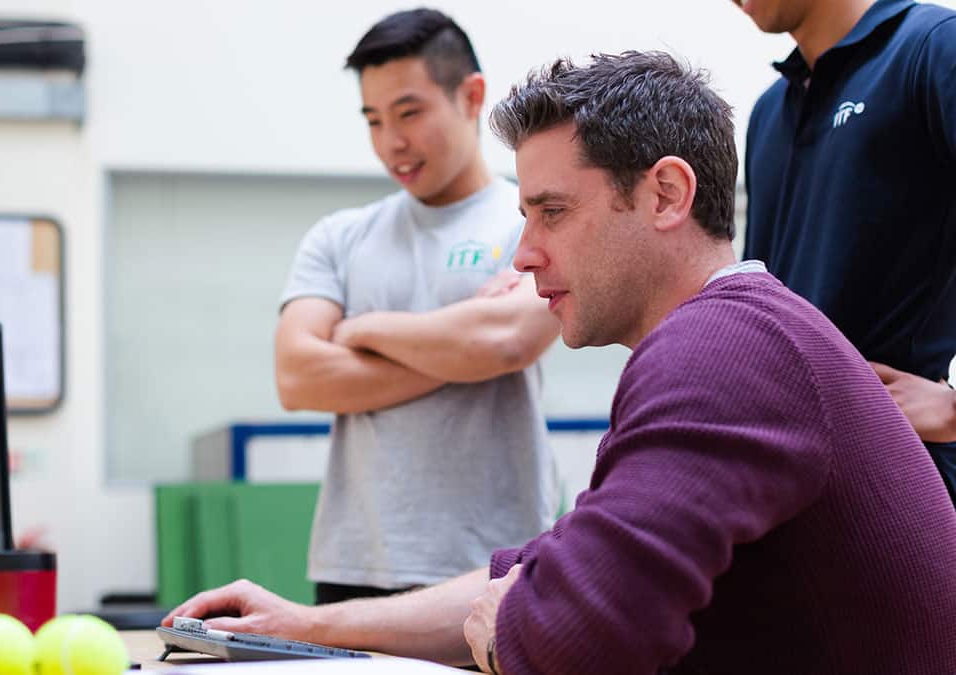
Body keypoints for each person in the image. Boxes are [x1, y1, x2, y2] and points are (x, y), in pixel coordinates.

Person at [164, 52, 956, 674]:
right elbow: (551, 570)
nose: (525, 254)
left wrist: (511, 621)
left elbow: (575, 642)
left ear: (664, 195)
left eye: (553, 211)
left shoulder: (722, 351)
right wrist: (303, 623)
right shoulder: (733, 333)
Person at [275, 8, 562, 605]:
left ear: (471, 96)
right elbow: (298, 376)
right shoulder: (339, 236)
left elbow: (508, 340)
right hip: (356, 564)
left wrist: (362, 328)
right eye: (374, 120)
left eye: (409, 113)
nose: (391, 142)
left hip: (494, 560)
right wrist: (459, 347)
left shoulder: (531, 223)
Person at [738, 0, 956, 499]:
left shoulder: (934, 48)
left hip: (912, 486)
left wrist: (954, 409)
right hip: (790, 490)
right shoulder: (769, 112)